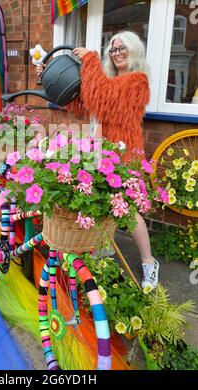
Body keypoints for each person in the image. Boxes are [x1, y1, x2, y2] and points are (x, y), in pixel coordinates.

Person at [36, 30, 159, 290]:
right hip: (104, 152)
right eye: (113, 50)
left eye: (122, 48)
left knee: (129, 209)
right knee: (106, 203)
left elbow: (102, 95)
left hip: (125, 153)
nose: (117, 53)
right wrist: (49, 78)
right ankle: (104, 249)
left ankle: (149, 262)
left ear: (134, 50)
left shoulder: (138, 81)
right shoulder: (110, 81)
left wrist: (90, 60)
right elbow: (86, 101)